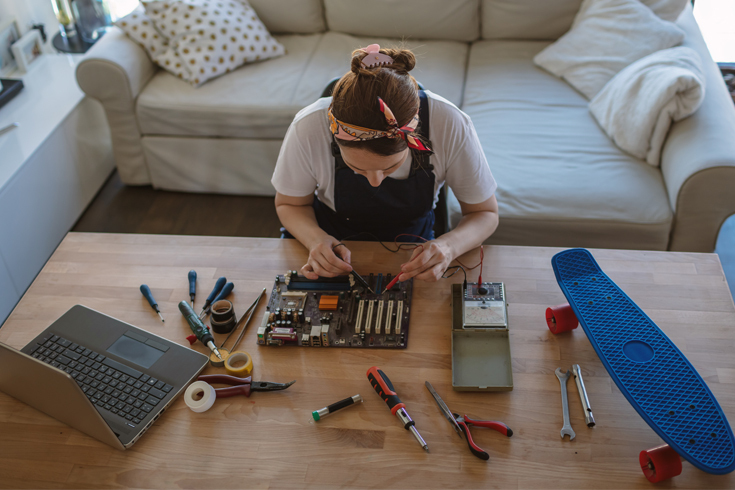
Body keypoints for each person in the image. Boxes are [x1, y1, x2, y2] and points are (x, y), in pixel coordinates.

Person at [272, 44, 498, 282]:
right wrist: (315, 239)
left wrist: (449, 246)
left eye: (390, 168)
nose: (375, 182)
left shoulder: (450, 123)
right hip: (330, 245)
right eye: (357, 169)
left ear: (415, 140)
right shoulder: (308, 126)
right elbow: (289, 204)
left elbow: (484, 213)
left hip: (411, 251)